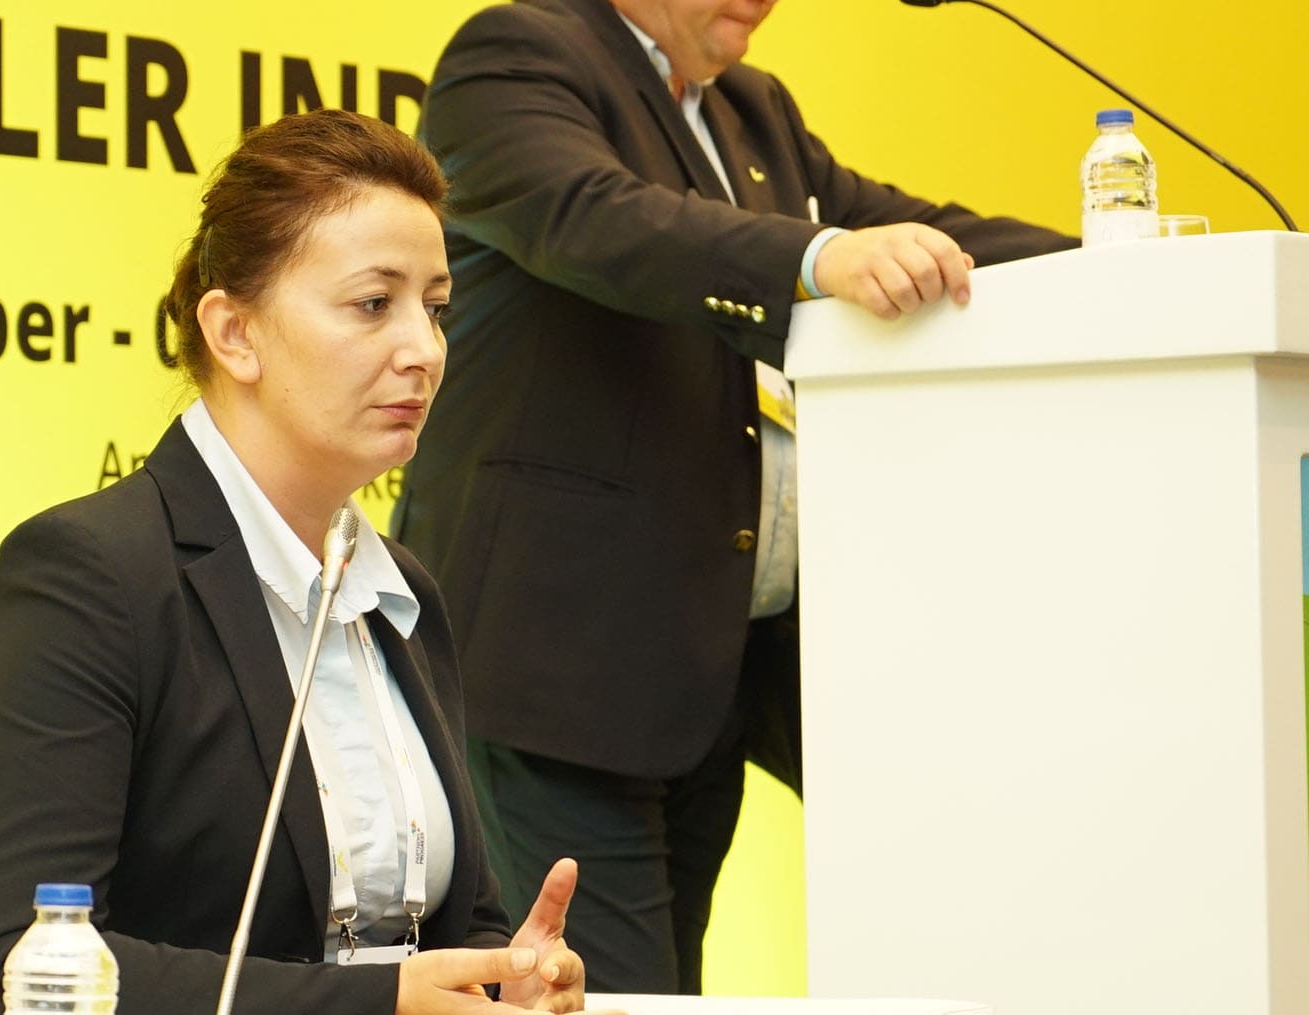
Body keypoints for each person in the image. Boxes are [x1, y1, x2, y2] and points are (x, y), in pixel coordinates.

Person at [388, 0, 1078, 995]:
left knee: (671, 986)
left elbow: (908, 228)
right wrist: (815, 260)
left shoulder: (752, 110)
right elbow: (599, 217)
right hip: (563, 656)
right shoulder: (518, 53)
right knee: (608, 991)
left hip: (699, 650)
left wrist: (1137, 256)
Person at [0, 109, 611, 1015]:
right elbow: (17, 976)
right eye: (374, 304)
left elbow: (449, 931)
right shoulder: (87, 576)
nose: (424, 350)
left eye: (436, 308)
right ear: (235, 333)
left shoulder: (399, 593)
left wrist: (506, 977)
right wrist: (381, 1006)